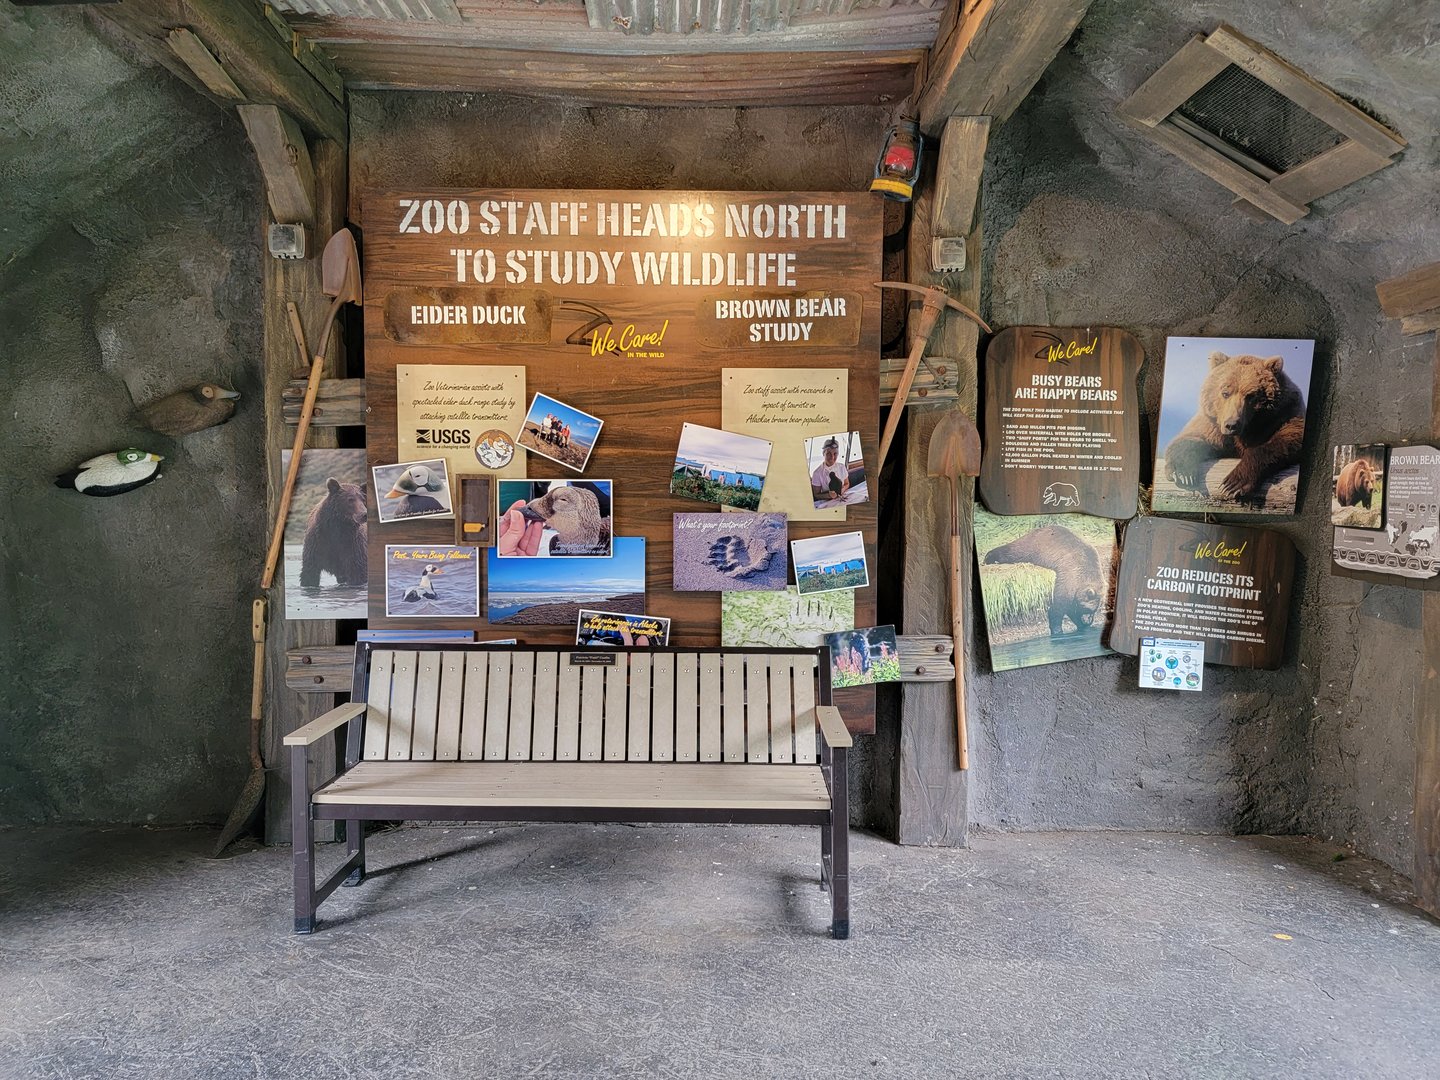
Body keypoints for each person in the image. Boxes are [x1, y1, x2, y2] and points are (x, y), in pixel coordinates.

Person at [811, 436, 850, 503]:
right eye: (828, 453)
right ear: (823, 453)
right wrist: (828, 495)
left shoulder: (842, 467)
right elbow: (816, 495)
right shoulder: (817, 473)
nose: (832, 457)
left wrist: (842, 490)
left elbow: (847, 483)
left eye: (835, 454)